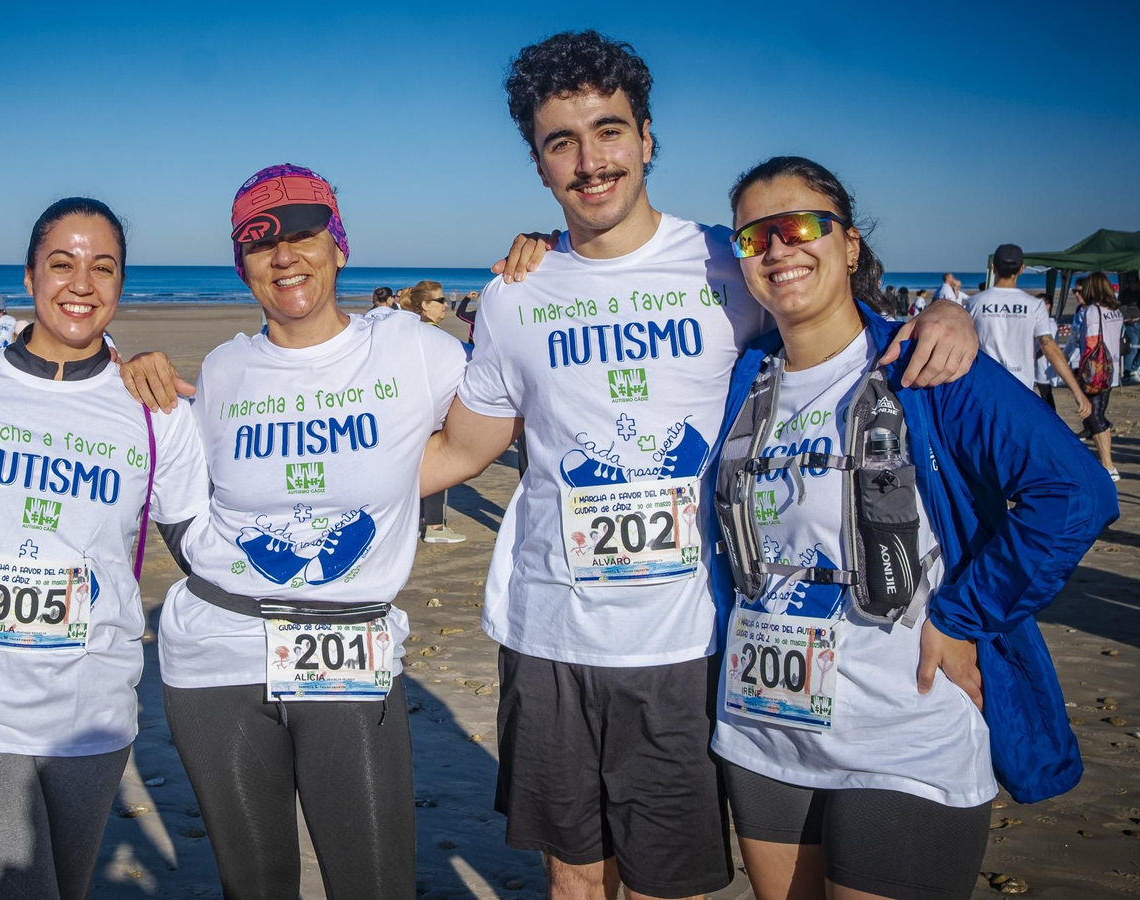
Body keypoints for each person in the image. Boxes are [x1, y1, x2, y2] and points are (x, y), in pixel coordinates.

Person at [416, 32, 977, 900]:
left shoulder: (726, 260)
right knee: (572, 879)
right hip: (544, 630)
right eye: (560, 142)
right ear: (538, 164)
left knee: (662, 884)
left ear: (647, 138)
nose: (589, 160)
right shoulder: (513, 293)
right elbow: (461, 447)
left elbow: (833, 309)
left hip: (685, 637)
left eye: (609, 131)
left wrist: (949, 313)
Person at [708, 155, 1115, 900]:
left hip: (903, 731)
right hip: (763, 730)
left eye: (801, 225)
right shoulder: (739, 376)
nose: (778, 249)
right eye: (753, 238)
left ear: (851, 244)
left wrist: (964, 616)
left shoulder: (923, 365)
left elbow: (1076, 494)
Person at [121, 163, 468, 899]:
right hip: (219, 653)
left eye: (304, 234)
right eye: (259, 241)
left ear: (339, 246)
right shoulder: (222, 370)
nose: (284, 256)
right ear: (242, 264)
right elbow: (192, 482)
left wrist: (543, 264)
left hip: (349, 646)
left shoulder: (413, 350)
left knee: (375, 884)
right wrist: (134, 375)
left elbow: (502, 419)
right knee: (255, 887)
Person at [0, 198, 208, 900]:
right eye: (62, 264)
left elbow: (207, 552)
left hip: (92, 717)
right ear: (30, 275)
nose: (81, 283)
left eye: (103, 268)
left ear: (122, 284)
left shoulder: (157, 413)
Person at [966, 243, 1089, 421]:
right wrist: (1077, 391)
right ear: (1022, 269)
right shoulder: (1034, 305)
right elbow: (1049, 347)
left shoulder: (975, 302)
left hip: (985, 388)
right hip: (1021, 388)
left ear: (993, 267)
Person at [402, 280, 468, 545]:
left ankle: (417, 521)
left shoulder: (410, 331)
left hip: (411, 411)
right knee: (436, 467)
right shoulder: (433, 334)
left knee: (415, 468)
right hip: (431, 411)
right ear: (424, 305)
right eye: (440, 301)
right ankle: (436, 527)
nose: (446, 306)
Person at [1078, 272, 1124, 480]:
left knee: (1094, 417)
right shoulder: (1115, 310)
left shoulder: (1093, 311)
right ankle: (1107, 463)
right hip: (1111, 370)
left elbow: (1091, 341)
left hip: (1097, 371)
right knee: (1098, 415)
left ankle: (1108, 465)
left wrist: (1082, 371)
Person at [1033, 296, 1060, 409]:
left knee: (1046, 393)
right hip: (1039, 364)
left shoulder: (1050, 324)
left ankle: (1052, 418)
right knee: (1043, 393)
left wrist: (1032, 357)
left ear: (1048, 306)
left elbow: (1047, 346)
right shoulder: (1040, 322)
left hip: (1044, 366)